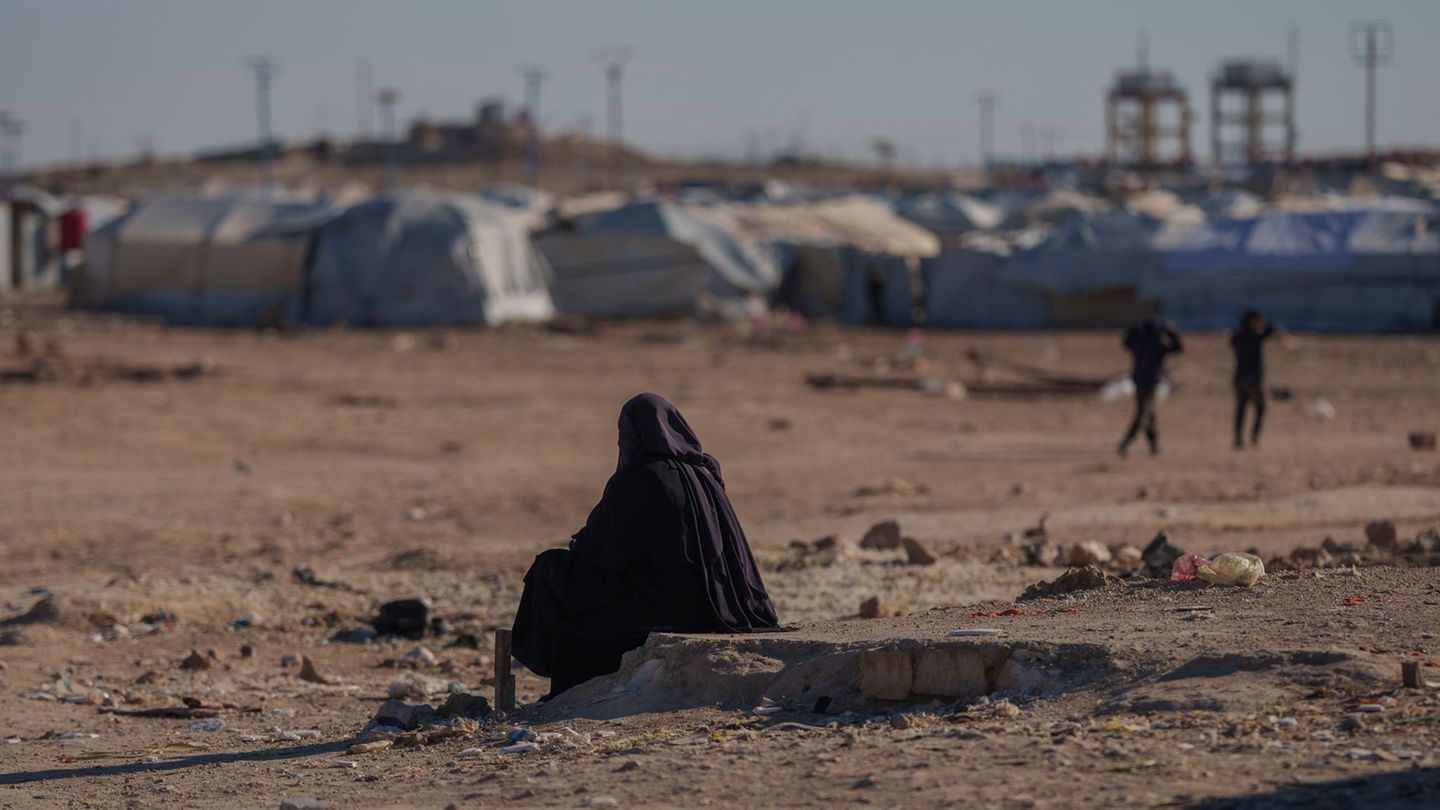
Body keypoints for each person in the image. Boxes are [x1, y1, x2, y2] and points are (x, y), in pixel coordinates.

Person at [511, 393, 779, 698]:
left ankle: (572, 684)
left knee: (551, 570)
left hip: (660, 609)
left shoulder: (638, 478)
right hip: (714, 604)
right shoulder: (703, 476)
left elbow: (603, 554)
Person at [1118, 318, 1184, 458]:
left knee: (1148, 411)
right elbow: (1178, 348)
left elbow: (1125, 341)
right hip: (1151, 382)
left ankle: (1153, 444)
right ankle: (1127, 442)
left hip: (1138, 380)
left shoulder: (1138, 343)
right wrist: (1171, 332)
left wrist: (1133, 328)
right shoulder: (1158, 345)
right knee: (1144, 412)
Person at [1230, 310, 1276, 449]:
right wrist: (1261, 325)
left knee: (1241, 408)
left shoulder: (1238, 336)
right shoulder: (1253, 336)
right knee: (1259, 408)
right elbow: (1271, 330)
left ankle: (1239, 438)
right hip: (1252, 379)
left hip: (1239, 377)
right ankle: (1253, 437)